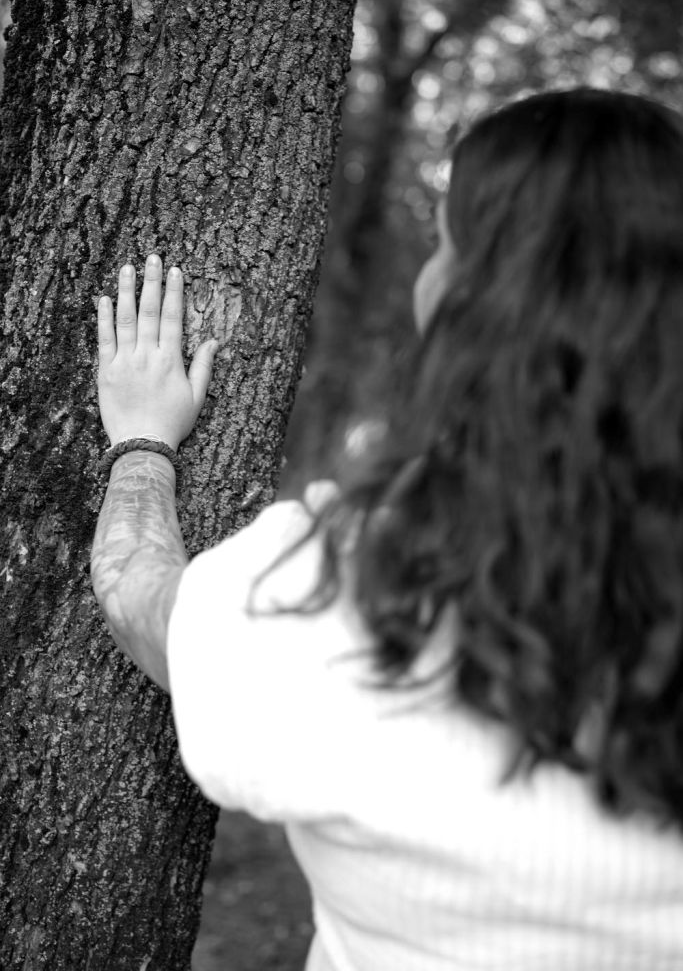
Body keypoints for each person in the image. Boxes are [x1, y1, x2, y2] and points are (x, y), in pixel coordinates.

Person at [91, 87, 683, 970]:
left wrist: (142, 442)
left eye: (443, 241)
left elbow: (140, 598)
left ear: (470, 303)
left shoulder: (332, 592)